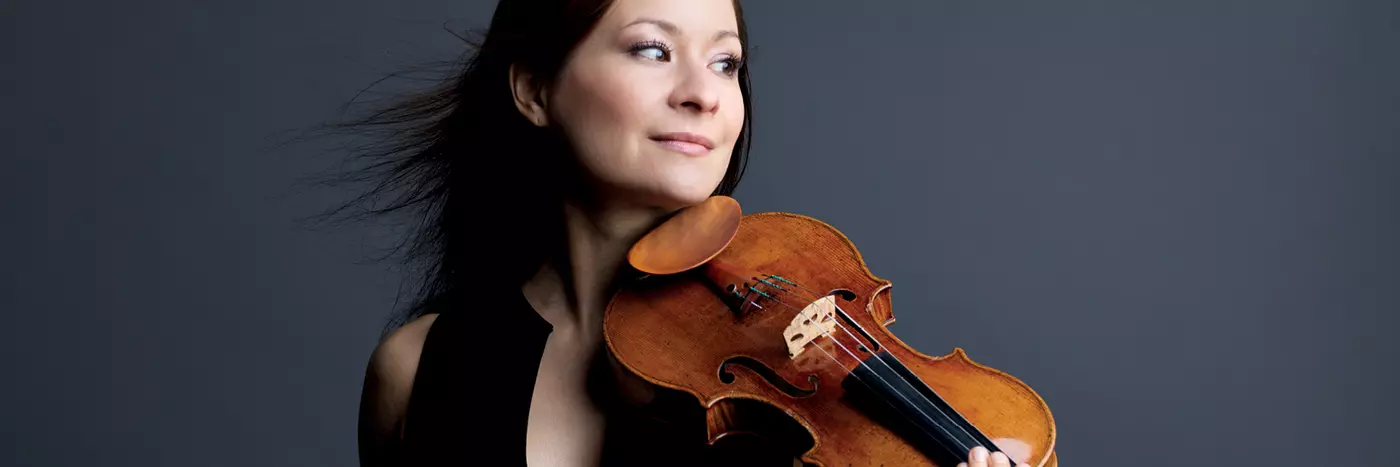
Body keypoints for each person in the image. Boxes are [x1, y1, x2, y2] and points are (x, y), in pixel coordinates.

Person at [344, 0, 1029, 465]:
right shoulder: (417, 367)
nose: (704, 93)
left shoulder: (793, 360)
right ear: (534, 90)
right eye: (651, 50)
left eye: (726, 62)